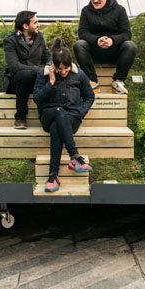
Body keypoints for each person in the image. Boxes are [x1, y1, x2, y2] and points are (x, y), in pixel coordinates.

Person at [34, 38, 96, 192]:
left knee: (57, 127)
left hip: (71, 118)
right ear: (53, 65)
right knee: (58, 113)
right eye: (59, 69)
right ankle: (74, 157)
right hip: (48, 115)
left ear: (71, 65)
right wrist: (51, 82)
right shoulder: (44, 75)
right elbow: (38, 100)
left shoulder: (79, 75)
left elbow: (90, 96)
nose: (63, 72)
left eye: (66, 69)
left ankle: (53, 176)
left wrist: (80, 112)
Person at [73, 0, 137, 94]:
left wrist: (112, 40)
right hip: (94, 52)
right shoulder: (86, 11)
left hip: (115, 52)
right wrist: (97, 40)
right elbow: (82, 33)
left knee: (130, 46)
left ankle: (118, 81)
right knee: (79, 44)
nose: (95, 0)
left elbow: (126, 34)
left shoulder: (120, 10)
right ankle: (92, 81)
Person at [3, 10, 50, 129]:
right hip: (16, 81)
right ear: (25, 26)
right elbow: (14, 66)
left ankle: (50, 116)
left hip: (36, 79)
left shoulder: (39, 36)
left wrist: (50, 66)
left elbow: (48, 57)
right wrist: (38, 70)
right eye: (35, 22)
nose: (38, 24)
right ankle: (20, 117)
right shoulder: (10, 40)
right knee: (25, 75)